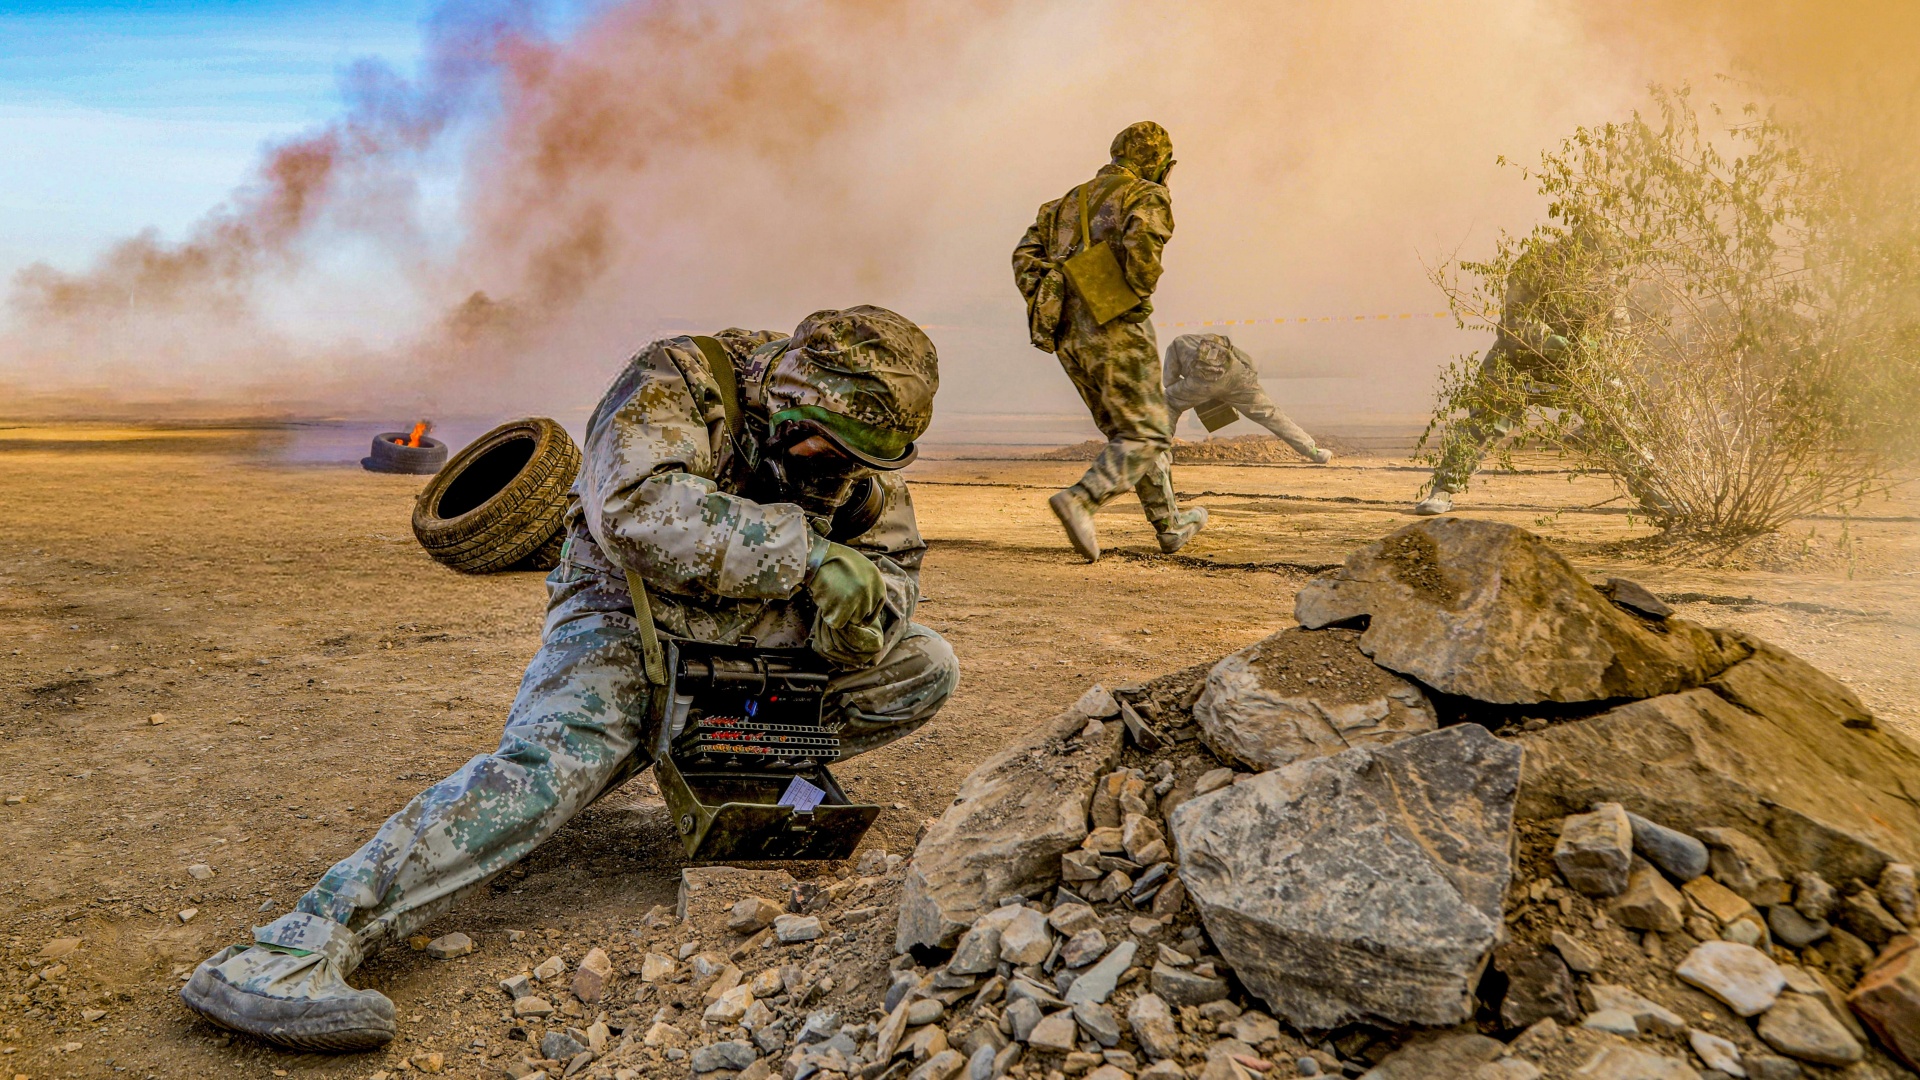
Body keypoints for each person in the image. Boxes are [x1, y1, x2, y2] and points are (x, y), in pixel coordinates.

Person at [180, 307, 960, 1051]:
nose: (837, 470)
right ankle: (295, 946)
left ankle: (690, 744)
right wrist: (811, 556)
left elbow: (896, 570)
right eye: (823, 445)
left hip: (749, 633)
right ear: (792, 399)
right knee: (544, 772)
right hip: (625, 614)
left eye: (858, 459)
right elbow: (632, 507)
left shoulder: (862, 457)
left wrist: (861, 613)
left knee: (924, 665)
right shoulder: (684, 379)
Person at [1013, 120, 1206, 562]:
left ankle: (1170, 525)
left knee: (1130, 430)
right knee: (1148, 430)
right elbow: (1143, 247)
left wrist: (1055, 297)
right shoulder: (1145, 193)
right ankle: (1082, 498)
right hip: (1115, 325)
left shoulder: (1059, 205)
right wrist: (1135, 296)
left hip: (1067, 334)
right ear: (1158, 161)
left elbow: (1023, 257)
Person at [1162, 332, 1335, 463]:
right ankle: (1314, 451)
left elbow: (1169, 381)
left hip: (1200, 384)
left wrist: (1200, 394)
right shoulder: (1219, 339)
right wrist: (1244, 384)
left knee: (1167, 403)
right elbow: (1250, 364)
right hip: (1238, 377)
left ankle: (1161, 454)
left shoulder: (1176, 345)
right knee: (1271, 414)